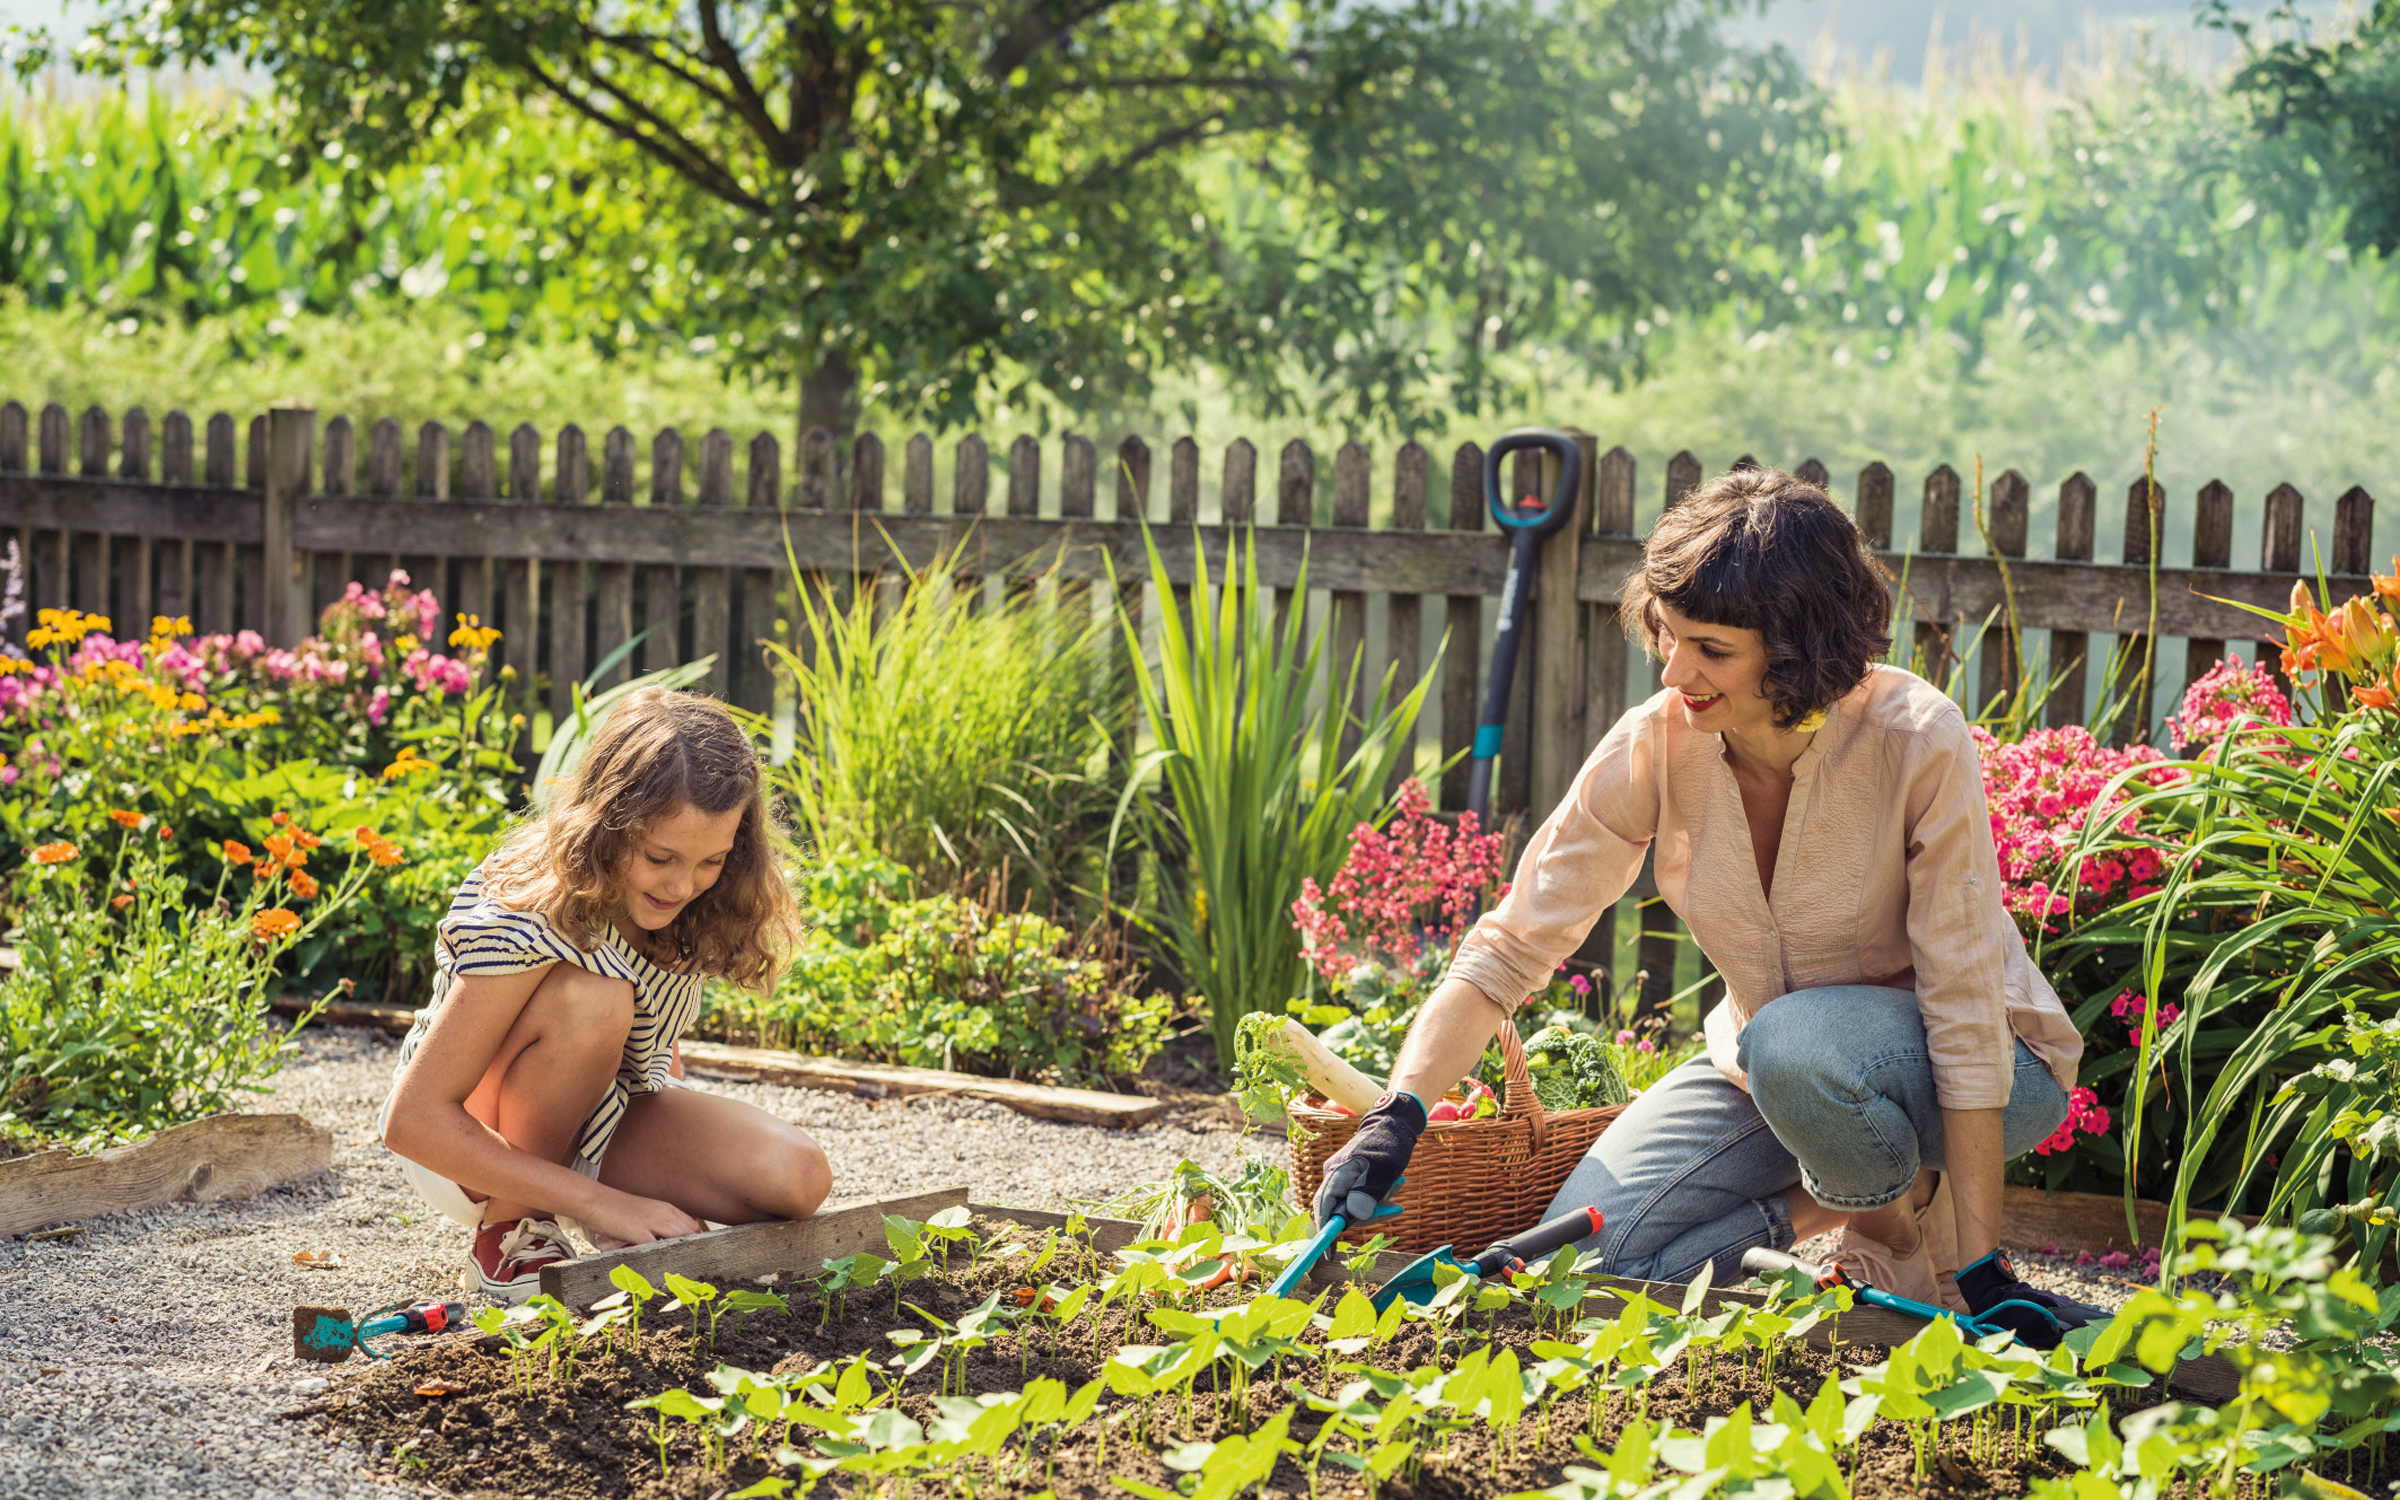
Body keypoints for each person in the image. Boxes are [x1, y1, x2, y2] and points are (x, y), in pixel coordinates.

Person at [1314, 466, 2105, 1345]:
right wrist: (1401, 1113)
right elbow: (1510, 948)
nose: (1674, 669)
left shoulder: (1914, 740)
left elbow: (1960, 1000)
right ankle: (1831, 1200)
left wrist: (1985, 1267)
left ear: (1801, 648)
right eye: (1669, 636)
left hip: (1975, 1071)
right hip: (1772, 1072)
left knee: (1795, 1043)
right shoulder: (1655, 744)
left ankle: (1888, 1223)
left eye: (1711, 650)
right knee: (1582, 1272)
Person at [380, 687, 828, 1301]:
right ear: (609, 823)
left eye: (710, 860)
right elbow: (411, 1122)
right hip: (467, 1146)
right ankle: (513, 1226)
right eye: (661, 856)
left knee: (798, 1177)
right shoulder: (533, 907)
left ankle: (570, 1208)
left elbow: (649, 1041)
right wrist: (604, 1203)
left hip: (594, 1115)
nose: (681, 885)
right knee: (595, 1000)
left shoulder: (685, 905)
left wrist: (634, 1193)